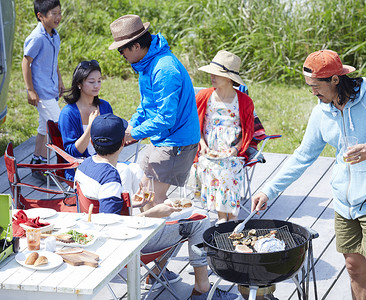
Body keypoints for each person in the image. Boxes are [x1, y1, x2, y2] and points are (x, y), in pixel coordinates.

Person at [252, 50, 366, 300]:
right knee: (354, 270)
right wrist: (268, 189)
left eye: (316, 86)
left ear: (335, 80)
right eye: (309, 86)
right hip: (344, 204)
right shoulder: (321, 113)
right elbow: (302, 156)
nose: (313, 93)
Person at [75, 113, 238, 300]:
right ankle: (201, 288)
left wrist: (129, 203)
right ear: (122, 143)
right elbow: (111, 226)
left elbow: (101, 210)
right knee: (198, 221)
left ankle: (156, 273)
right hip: (124, 249)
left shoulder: (85, 166)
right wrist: (154, 213)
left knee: (175, 219)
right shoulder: (110, 178)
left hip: (97, 243)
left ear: (93, 141)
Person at [108, 15, 200, 206]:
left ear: (135, 46)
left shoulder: (164, 69)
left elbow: (166, 119)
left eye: (121, 49)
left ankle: (181, 231)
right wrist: (132, 124)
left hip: (177, 141)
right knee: (141, 195)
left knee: (153, 201)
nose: (121, 54)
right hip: (161, 138)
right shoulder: (146, 64)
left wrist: (134, 133)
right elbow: (146, 105)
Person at [59, 60, 142, 195]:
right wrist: (91, 126)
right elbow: (73, 153)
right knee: (125, 172)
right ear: (79, 84)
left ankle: (136, 209)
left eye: (99, 81)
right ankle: (123, 210)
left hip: (108, 161)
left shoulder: (104, 106)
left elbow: (114, 138)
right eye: (91, 82)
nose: (97, 85)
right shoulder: (68, 113)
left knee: (137, 170)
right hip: (82, 167)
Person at [192, 50, 254, 223]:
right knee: (212, 167)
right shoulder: (204, 96)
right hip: (208, 151)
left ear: (228, 78)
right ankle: (224, 218)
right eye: (212, 72)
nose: (212, 76)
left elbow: (248, 131)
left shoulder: (243, 101)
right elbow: (195, 125)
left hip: (233, 151)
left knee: (229, 169)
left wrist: (236, 149)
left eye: (217, 73)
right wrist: (202, 144)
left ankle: (230, 218)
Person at [22, 0, 64, 182]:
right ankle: (63, 169)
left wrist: (60, 81)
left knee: (43, 128)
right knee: (59, 126)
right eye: (53, 13)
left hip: (51, 89)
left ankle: (38, 164)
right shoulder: (36, 37)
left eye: (59, 13)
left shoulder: (55, 35)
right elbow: (26, 62)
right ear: (40, 16)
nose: (58, 17)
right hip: (42, 93)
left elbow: (53, 61)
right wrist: (30, 90)